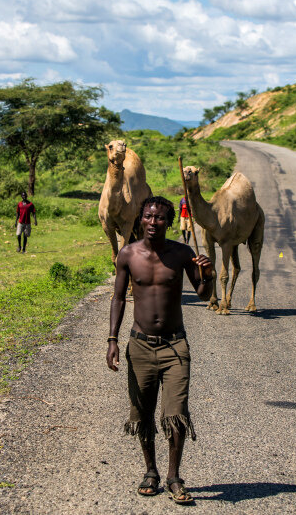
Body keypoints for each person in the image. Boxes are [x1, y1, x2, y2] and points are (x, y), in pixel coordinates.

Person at [107, 196, 213, 505]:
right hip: (140, 346)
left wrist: (208, 273)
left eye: (161, 218)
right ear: (141, 219)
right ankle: (150, 471)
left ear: (169, 222)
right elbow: (118, 298)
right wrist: (112, 340)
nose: (154, 222)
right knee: (142, 414)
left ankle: (173, 476)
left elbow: (204, 294)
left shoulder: (182, 253)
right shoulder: (127, 254)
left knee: (176, 414)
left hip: (175, 346)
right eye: (149, 217)